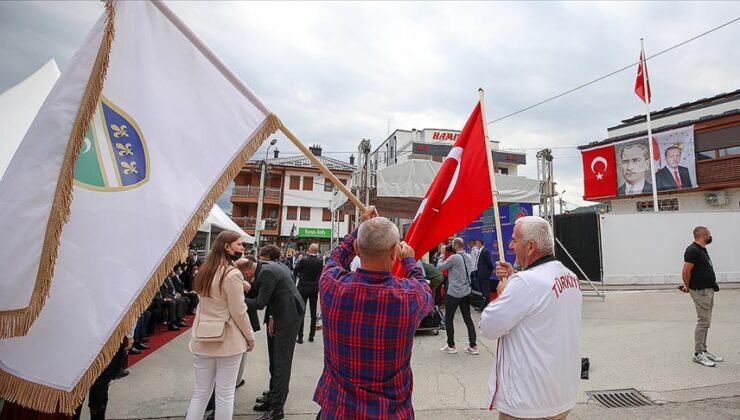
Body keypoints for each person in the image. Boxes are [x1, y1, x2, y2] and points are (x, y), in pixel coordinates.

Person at [313, 206, 434, 419]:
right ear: (394, 252)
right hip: (390, 412)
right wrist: (408, 260)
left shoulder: (332, 285)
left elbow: (335, 257)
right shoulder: (408, 296)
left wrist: (360, 228)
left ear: (358, 248)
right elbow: (425, 289)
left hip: (338, 409)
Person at [481, 216, 581, 419]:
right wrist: (517, 276)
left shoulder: (525, 283)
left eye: (514, 240)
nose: (510, 245)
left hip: (528, 403)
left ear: (531, 247)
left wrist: (504, 292)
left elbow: (488, 326)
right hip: (560, 396)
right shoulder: (570, 276)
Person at [185, 231, 255, 420]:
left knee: (200, 393)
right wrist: (250, 336)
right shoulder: (231, 274)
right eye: (239, 244)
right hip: (228, 339)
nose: (243, 248)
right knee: (225, 394)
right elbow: (238, 311)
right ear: (227, 247)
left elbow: (210, 298)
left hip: (202, 335)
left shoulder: (205, 270)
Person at [246, 244, 305, 420]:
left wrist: (235, 298)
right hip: (280, 312)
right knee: (274, 359)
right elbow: (273, 293)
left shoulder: (267, 271)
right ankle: (273, 395)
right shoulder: (270, 266)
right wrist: (272, 316)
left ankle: (277, 408)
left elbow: (260, 302)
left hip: (288, 316)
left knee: (281, 361)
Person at [680, 226, 722, 367]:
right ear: (704, 235)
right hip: (700, 291)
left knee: (706, 321)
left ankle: (704, 350)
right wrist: (687, 286)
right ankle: (698, 354)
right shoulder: (692, 250)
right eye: (709, 234)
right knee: (703, 322)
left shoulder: (701, 250)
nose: (710, 237)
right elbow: (686, 271)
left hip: (708, 290)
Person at [436, 238, 479, 355]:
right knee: (467, 318)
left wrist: (442, 254)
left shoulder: (454, 257)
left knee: (449, 319)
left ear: (455, 245)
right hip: (466, 292)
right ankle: (473, 345)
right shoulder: (468, 257)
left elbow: (439, 267)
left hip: (454, 293)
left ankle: (451, 345)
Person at [294, 243, 323, 344]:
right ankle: (311, 336)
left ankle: (300, 336)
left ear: (309, 250)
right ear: (317, 250)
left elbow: (295, 270)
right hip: (314, 288)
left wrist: (300, 276)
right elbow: (321, 273)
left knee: (301, 311)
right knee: (313, 312)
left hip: (303, 287)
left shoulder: (303, 260)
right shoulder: (320, 262)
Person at [475, 239, 495, 312]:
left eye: (477, 243)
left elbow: (488, 262)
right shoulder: (479, 251)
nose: (476, 244)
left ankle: (485, 307)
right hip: (480, 273)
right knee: (483, 290)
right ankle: (483, 306)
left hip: (484, 274)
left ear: (480, 243)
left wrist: (492, 269)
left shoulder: (485, 251)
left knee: (485, 290)